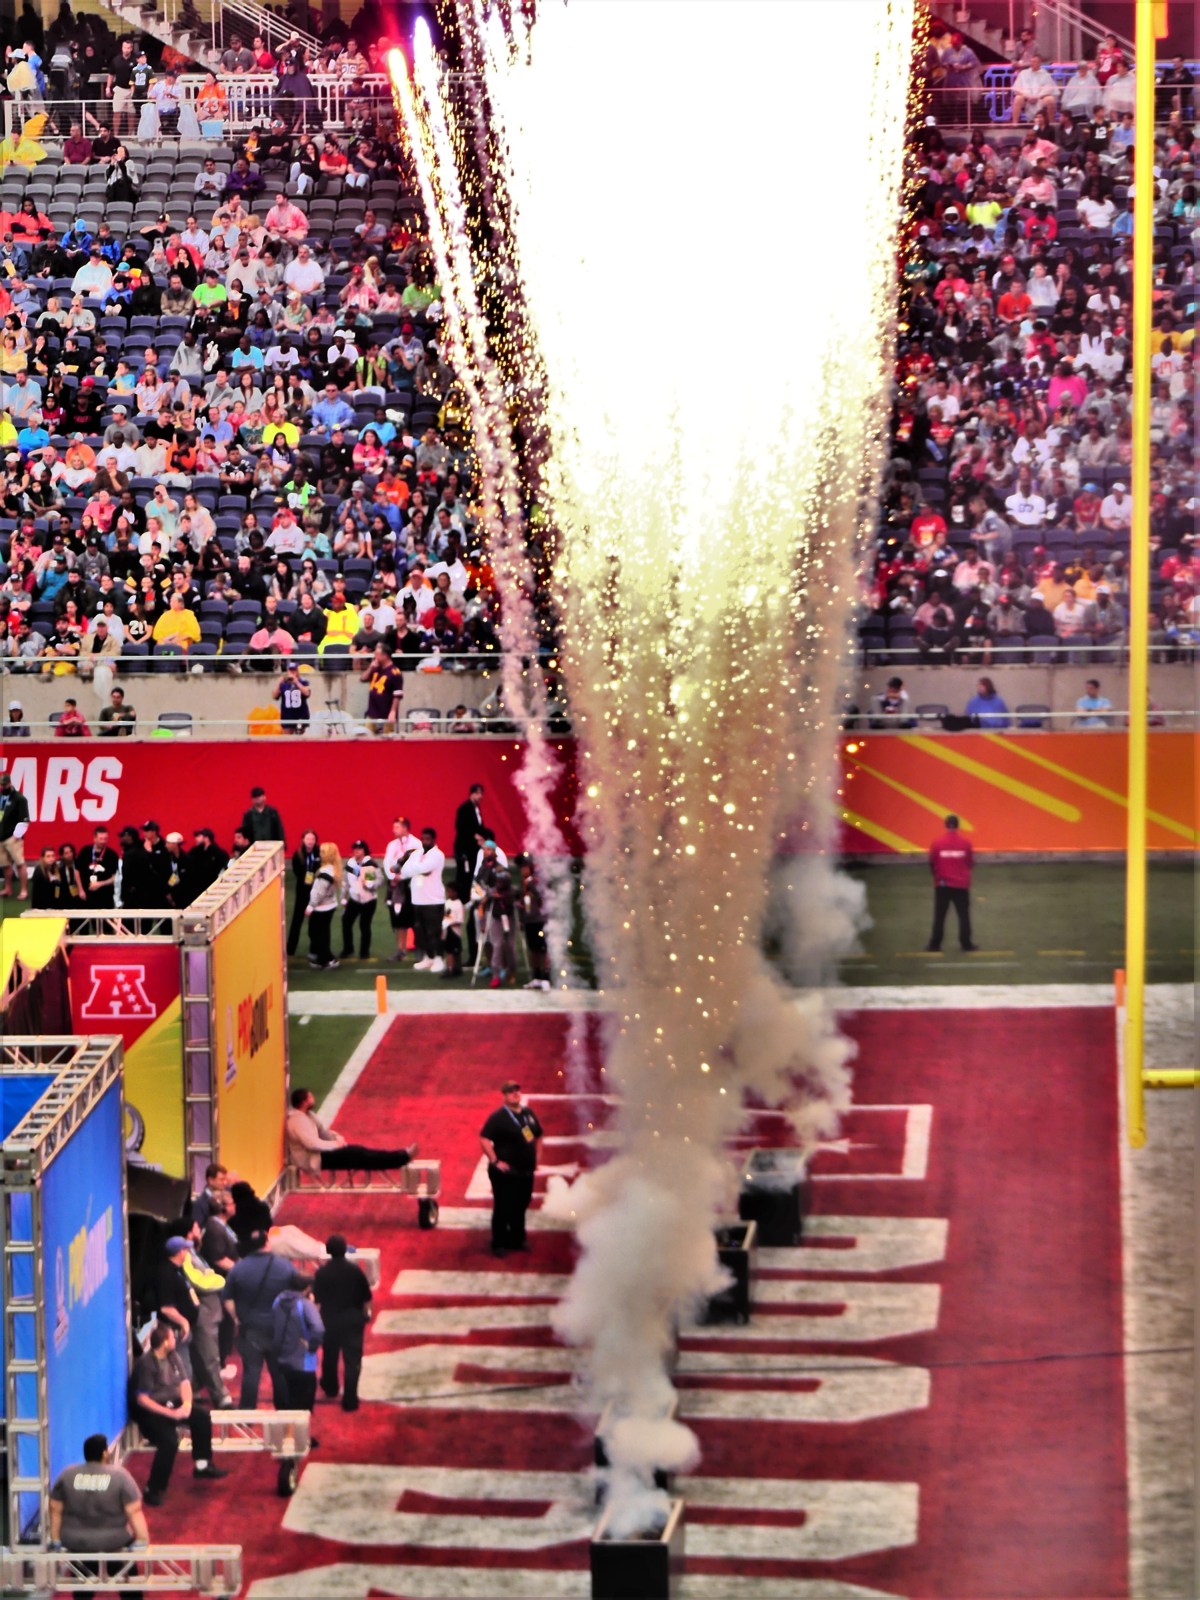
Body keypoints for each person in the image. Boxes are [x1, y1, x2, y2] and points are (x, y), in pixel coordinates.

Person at [129, 1322, 226, 1506]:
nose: (175, 1339)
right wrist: (170, 1413)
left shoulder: (173, 1356)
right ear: (165, 1342)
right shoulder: (146, 1364)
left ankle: (202, 1464)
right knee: (169, 1441)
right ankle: (153, 1488)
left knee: (201, 1416)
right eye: (172, 1337)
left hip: (173, 1403)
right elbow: (142, 1400)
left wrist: (187, 1404)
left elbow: (184, 1383)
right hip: (152, 1411)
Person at [47, 1432, 148, 1594]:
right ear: (104, 1453)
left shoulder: (67, 1474)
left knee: (82, 1580)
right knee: (130, 1582)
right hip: (114, 1542)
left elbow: (54, 1508)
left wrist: (56, 1539)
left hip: (76, 1542)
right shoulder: (120, 1476)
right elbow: (134, 1510)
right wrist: (142, 1540)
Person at [222, 1230, 310, 1410]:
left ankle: (247, 1412)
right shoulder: (285, 1266)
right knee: (279, 1373)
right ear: (267, 1243)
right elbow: (301, 1289)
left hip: (250, 1330)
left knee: (251, 1373)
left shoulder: (238, 1269)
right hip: (279, 1329)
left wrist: (237, 1319)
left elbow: (228, 1300)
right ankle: (284, 1410)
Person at [286, 1087, 418, 1175]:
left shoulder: (308, 1115)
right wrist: (335, 1145)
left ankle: (400, 1156)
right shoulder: (297, 1122)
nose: (313, 1100)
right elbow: (312, 1144)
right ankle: (400, 1158)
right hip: (314, 1160)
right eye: (310, 1098)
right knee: (358, 1154)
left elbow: (323, 1132)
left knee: (358, 1152)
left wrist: (336, 1138)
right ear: (304, 1102)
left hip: (320, 1155)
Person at [480, 1079, 543, 1257]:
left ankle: (517, 1238)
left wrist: (537, 1157)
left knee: (522, 1203)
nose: (515, 1094)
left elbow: (537, 1135)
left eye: (517, 1090)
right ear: (505, 1096)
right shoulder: (498, 1117)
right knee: (503, 1205)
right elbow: (484, 1138)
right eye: (511, 1092)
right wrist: (495, 1161)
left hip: (525, 1170)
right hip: (505, 1172)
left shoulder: (527, 1114)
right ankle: (499, 1242)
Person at [312, 1234, 372, 1412]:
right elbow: (367, 1296)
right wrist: (366, 1314)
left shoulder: (322, 1273)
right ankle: (350, 1400)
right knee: (352, 1361)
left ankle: (330, 1387)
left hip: (330, 1320)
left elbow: (317, 1300)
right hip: (353, 1320)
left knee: (330, 1356)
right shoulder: (355, 1271)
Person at [272, 1283, 324, 1432]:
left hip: (281, 1359)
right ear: (307, 1288)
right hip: (303, 1363)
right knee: (303, 1403)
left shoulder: (278, 1300)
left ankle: (285, 1436)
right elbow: (318, 1329)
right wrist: (312, 1346)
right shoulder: (306, 1305)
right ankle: (300, 1437)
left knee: (285, 1399)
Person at [926, 815, 976, 954]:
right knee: (963, 916)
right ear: (958, 826)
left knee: (939, 916)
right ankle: (966, 944)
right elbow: (970, 863)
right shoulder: (966, 843)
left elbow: (931, 862)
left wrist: (937, 876)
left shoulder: (937, 843)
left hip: (942, 885)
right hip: (961, 885)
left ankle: (935, 944)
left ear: (946, 825)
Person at [400, 827, 448, 972]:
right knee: (420, 932)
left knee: (433, 932)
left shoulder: (438, 855)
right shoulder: (417, 853)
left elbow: (424, 869)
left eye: (428, 839)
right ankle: (428, 957)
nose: (425, 841)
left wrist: (414, 867)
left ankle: (439, 958)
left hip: (433, 900)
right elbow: (405, 871)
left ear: (433, 840)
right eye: (423, 839)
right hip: (417, 899)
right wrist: (416, 867)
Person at [340, 839, 381, 961]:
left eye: (360, 849)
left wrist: (369, 884)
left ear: (364, 850)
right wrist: (343, 897)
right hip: (354, 899)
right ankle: (348, 948)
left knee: (364, 925)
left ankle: (364, 952)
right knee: (346, 922)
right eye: (355, 849)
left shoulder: (370, 864)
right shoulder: (350, 864)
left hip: (368, 900)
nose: (357, 851)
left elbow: (377, 881)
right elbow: (345, 882)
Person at [303, 841, 341, 969]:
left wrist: (310, 906)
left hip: (321, 907)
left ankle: (327, 958)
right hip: (329, 905)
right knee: (321, 933)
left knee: (318, 934)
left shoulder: (325, 873)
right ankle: (321, 957)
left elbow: (318, 892)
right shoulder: (333, 869)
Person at [288, 830, 321, 958]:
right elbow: (297, 872)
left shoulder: (319, 852)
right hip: (302, 891)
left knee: (315, 922)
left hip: (316, 890)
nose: (310, 842)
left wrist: (313, 877)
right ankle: (290, 949)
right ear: (303, 840)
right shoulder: (298, 854)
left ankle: (315, 949)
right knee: (297, 921)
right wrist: (308, 877)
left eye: (312, 839)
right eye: (308, 839)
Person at [0, 769, 31, 899]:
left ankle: (24, 890)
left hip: (13, 837)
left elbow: (24, 819)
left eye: (5, 785)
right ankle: (8, 889)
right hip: (1, 837)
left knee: (19, 863)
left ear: (10, 783)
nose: (3, 787)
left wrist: (17, 835)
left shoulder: (19, 798)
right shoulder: (1, 797)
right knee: (5, 864)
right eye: (1, 785)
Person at [453, 783, 487, 900]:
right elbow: (460, 827)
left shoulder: (477, 809)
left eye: (481, 793)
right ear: (471, 794)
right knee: (464, 874)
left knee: (473, 872)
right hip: (464, 849)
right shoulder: (464, 808)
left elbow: (479, 827)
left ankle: (471, 896)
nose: (480, 796)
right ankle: (462, 898)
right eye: (477, 793)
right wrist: (475, 836)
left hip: (474, 849)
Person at [79, 826, 119, 909]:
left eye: (105, 839)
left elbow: (115, 877)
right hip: (86, 895)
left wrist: (100, 884)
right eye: (101, 839)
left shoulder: (112, 855)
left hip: (105, 896)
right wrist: (80, 889)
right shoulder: (85, 851)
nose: (103, 841)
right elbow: (77, 870)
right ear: (94, 838)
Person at [273, 660, 311, 733]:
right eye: (290, 670)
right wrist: (278, 683)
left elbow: (307, 693)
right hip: (287, 714)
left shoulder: (303, 681)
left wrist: (296, 682)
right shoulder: (283, 683)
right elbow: (274, 696)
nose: (292, 672)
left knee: (300, 739)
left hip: (300, 714)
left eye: (294, 670)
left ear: (297, 671)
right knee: (287, 739)